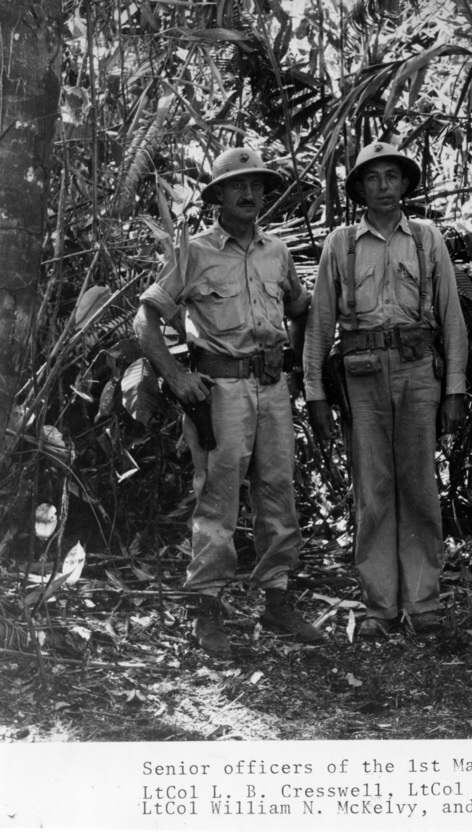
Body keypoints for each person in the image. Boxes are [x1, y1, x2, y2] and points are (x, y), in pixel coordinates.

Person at [134, 146, 324, 659]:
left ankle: (277, 602)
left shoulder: (276, 251)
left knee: (278, 492)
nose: (249, 193)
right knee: (218, 500)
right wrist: (177, 376)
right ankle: (206, 608)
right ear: (217, 195)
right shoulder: (194, 252)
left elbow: (299, 308)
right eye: (238, 185)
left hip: (271, 389)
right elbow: (145, 319)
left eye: (257, 185)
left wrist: (292, 365)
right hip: (220, 392)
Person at [303, 141, 467, 638]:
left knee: (419, 485)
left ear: (405, 184)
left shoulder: (427, 238)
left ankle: (422, 602)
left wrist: (455, 389)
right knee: (372, 489)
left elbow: (451, 317)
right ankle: (380, 607)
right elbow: (320, 323)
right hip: (361, 375)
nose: (383, 187)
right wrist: (315, 394)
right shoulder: (341, 244)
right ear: (359, 189)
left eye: (392, 176)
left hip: (418, 372)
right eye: (373, 178)